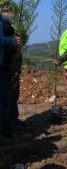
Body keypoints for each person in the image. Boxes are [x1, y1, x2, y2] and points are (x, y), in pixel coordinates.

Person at [0, 0, 21, 144]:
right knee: (3, 100)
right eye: (9, 10)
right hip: (2, 67)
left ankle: (9, 126)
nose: (12, 13)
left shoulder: (6, 23)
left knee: (9, 97)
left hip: (8, 67)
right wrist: (10, 41)